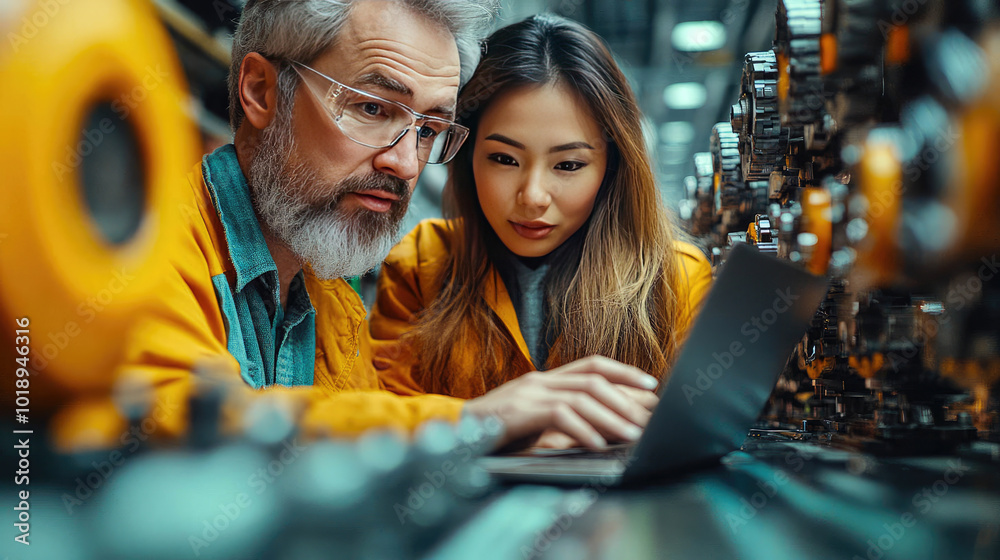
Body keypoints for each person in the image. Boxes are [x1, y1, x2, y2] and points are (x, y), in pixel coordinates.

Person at [50, 0, 662, 451]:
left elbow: (357, 449)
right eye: (372, 109)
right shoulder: (145, 245)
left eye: (427, 130)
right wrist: (473, 425)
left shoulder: (334, 304)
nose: (402, 161)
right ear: (261, 90)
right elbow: (166, 417)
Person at [369, 14, 714, 448]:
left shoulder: (676, 280)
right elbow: (385, 429)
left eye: (568, 165)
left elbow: (695, 444)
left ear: (613, 165)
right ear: (465, 152)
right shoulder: (422, 263)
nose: (532, 196)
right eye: (504, 159)